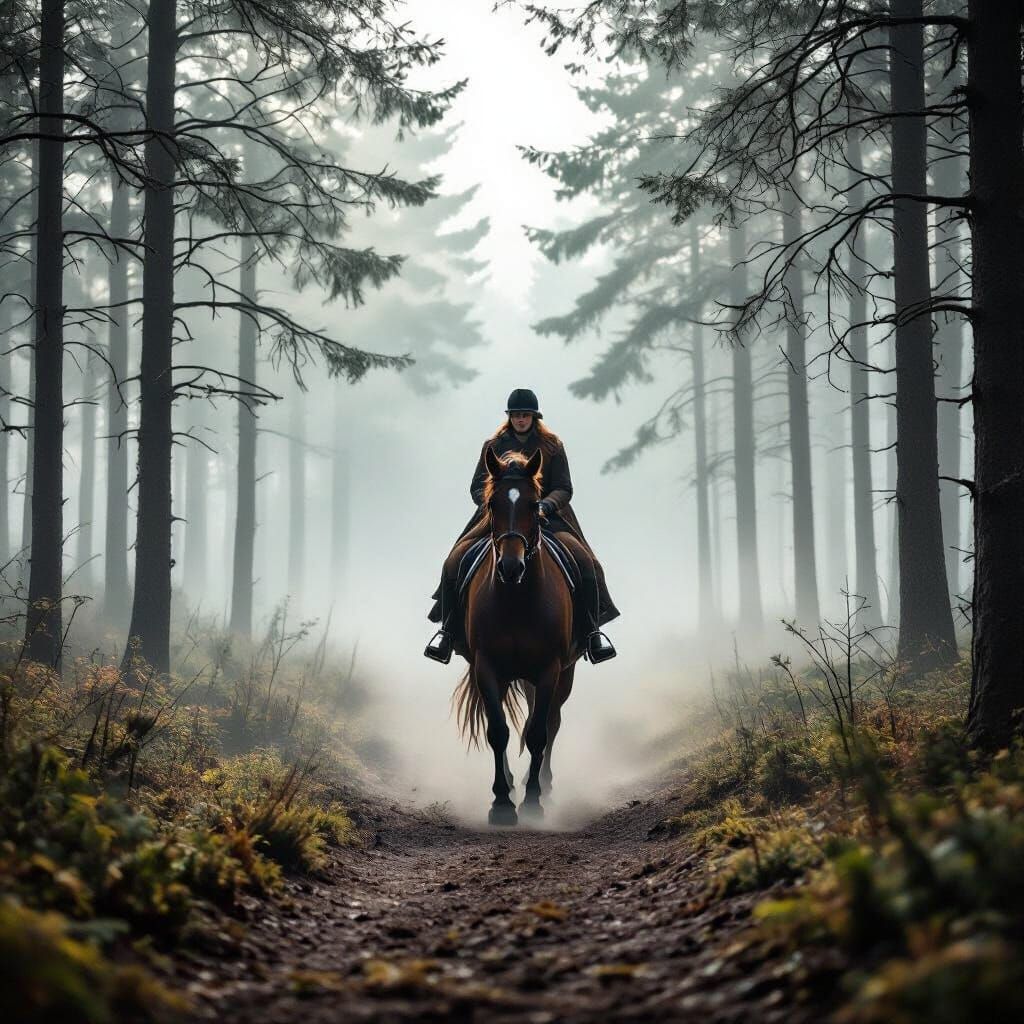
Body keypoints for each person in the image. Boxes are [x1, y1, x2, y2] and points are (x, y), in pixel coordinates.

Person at [425, 388, 619, 665]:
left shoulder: (552, 446)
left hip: (548, 518)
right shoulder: (492, 446)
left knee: (587, 563)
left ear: (534, 417)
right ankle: (448, 632)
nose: (520, 420)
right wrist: (498, 503)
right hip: (501, 519)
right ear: (509, 417)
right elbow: (476, 486)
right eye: (516, 415)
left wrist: (544, 506)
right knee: (453, 562)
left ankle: (591, 633)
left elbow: (564, 487)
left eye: (525, 415)